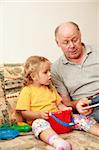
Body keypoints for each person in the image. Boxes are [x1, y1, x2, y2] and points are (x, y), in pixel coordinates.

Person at [16, 56, 99, 150]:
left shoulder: (51, 89)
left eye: (50, 71)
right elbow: (23, 113)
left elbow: (59, 104)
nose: (50, 74)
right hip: (44, 122)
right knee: (38, 124)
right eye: (45, 72)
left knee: (81, 118)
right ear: (34, 76)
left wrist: (65, 109)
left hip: (59, 120)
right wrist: (38, 115)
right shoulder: (27, 91)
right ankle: (58, 142)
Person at [51, 21, 99, 122]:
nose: (72, 45)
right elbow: (66, 103)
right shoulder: (56, 69)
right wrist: (77, 104)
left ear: (80, 35)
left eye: (75, 40)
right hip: (89, 107)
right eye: (66, 42)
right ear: (58, 43)